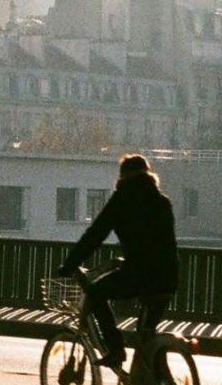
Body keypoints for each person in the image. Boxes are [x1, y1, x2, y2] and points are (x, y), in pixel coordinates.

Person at [57, 153, 179, 369]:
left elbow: (95, 235)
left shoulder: (123, 199)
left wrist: (69, 264)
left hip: (139, 274)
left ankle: (115, 349)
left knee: (95, 293)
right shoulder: (162, 201)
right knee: (147, 333)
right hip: (168, 276)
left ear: (123, 176)